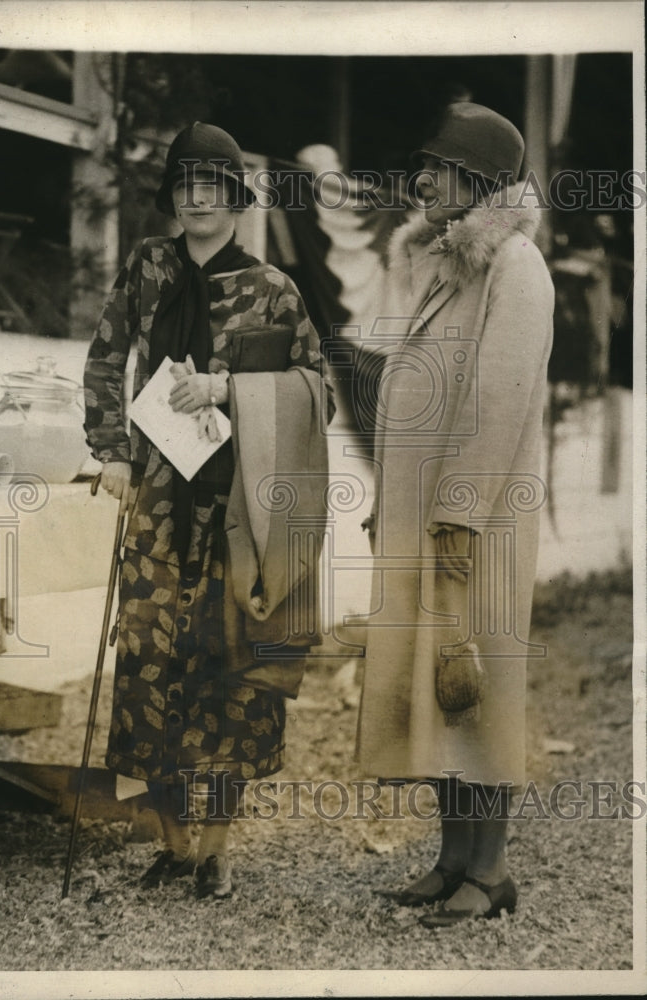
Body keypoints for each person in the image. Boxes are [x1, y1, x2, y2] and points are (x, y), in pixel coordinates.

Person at [83, 122, 333, 900]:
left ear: (233, 195)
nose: (197, 196)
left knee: (230, 669)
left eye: (211, 183)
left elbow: (317, 389)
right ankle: (172, 843)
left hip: (238, 510)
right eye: (184, 182)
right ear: (173, 193)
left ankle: (216, 848)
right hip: (159, 502)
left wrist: (232, 391)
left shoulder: (272, 290)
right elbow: (102, 356)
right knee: (150, 664)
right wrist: (113, 450)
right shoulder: (148, 266)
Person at [357, 103, 554, 926]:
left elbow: (498, 399)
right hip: (427, 520)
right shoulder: (451, 269)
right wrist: (388, 507)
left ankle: (492, 873)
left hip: (476, 527)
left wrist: (458, 517)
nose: (422, 180)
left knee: (482, 689)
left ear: (476, 179)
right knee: (444, 691)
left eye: (437, 167)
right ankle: (450, 861)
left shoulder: (518, 266)